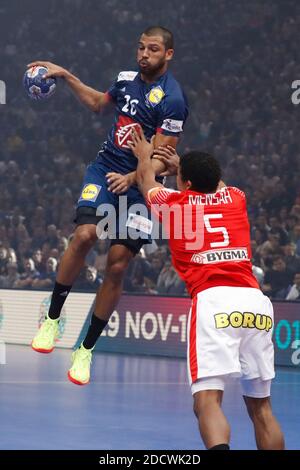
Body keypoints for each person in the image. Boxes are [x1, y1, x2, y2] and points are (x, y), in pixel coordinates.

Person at [29, 26, 188, 385]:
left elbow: (162, 158)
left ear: (168, 55)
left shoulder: (173, 99)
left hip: (140, 187)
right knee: (84, 234)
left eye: (153, 49)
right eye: (141, 47)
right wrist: (67, 76)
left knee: (116, 266)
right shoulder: (125, 79)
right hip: (104, 170)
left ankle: (85, 350)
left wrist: (133, 179)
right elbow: (98, 105)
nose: (144, 54)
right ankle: (52, 320)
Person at [129, 128, 284, 450]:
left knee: (207, 402)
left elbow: (146, 182)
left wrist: (145, 153)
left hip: (215, 301)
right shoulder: (236, 197)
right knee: (262, 408)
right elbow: (216, 184)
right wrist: (182, 167)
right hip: (255, 301)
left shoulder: (173, 204)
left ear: (184, 185)